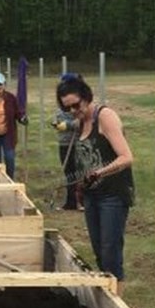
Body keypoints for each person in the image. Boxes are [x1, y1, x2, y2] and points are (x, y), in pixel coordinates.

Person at [56, 74, 135, 292]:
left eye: (76, 105)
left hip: (113, 195)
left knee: (111, 251)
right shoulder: (81, 122)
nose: (73, 111)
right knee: (99, 250)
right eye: (67, 108)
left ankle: (116, 304)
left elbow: (126, 157)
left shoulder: (105, 116)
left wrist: (99, 172)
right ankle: (106, 296)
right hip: (92, 196)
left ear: (86, 97)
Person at [50, 71, 84, 210]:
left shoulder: (79, 100)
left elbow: (81, 120)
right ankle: (70, 202)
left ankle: (81, 201)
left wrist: (68, 125)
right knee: (69, 173)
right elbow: (59, 115)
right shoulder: (62, 99)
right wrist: (57, 123)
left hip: (76, 142)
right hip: (64, 142)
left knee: (78, 172)